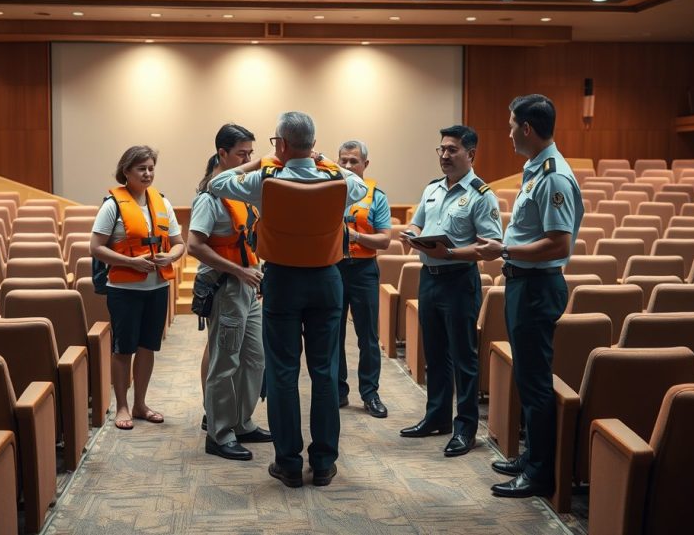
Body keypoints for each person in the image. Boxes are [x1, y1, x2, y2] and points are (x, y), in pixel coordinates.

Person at [209, 111, 367, 488]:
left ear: (280, 145)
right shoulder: (337, 179)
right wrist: (322, 159)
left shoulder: (266, 178)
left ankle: (289, 462)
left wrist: (263, 160)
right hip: (327, 282)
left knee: (282, 373)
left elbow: (218, 183)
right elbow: (359, 184)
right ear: (313, 145)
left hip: (281, 280)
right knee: (325, 372)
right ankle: (325, 462)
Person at [474, 95, 583, 498]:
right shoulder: (536, 168)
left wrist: (502, 249)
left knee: (535, 383)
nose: (506, 133)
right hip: (524, 284)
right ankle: (531, 457)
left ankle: (539, 473)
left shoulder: (553, 176)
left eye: (510, 125)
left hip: (537, 287)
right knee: (527, 375)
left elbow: (558, 244)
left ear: (527, 129)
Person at [398, 125, 502, 458]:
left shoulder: (482, 195)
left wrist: (452, 253)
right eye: (441, 149)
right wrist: (411, 234)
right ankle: (437, 417)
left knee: (463, 358)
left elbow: (492, 247)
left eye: (452, 149)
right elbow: (418, 222)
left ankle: (465, 428)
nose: (444, 155)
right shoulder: (432, 189)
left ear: (470, 154)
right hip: (429, 277)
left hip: (459, 281)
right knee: (436, 353)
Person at [187, 123, 271, 461]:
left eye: (251, 153)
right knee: (225, 361)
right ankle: (219, 433)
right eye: (242, 153)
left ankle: (241, 421)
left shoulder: (240, 192)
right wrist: (238, 271)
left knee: (255, 359)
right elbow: (194, 246)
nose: (248, 159)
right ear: (222, 153)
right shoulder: (211, 197)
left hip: (249, 287)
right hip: (227, 286)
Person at [90, 145, 185, 430]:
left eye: (151, 168)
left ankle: (141, 404)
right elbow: (95, 248)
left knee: (147, 348)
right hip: (125, 290)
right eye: (141, 168)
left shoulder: (162, 203)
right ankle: (122, 406)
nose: (147, 173)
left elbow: (180, 243)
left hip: (156, 288)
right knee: (124, 349)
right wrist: (131, 263)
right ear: (126, 172)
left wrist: (171, 256)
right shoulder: (112, 205)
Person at [336, 140, 391, 418]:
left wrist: (356, 236)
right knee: (333, 335)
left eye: (353, 161)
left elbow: (384, 239)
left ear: (365, 165)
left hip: (363, 271)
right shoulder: (329, 191)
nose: (347, 166)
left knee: (367, 336)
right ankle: (338, 391)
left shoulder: (376, 196)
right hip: (332, 269)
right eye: (343, 161)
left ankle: (370, 393)